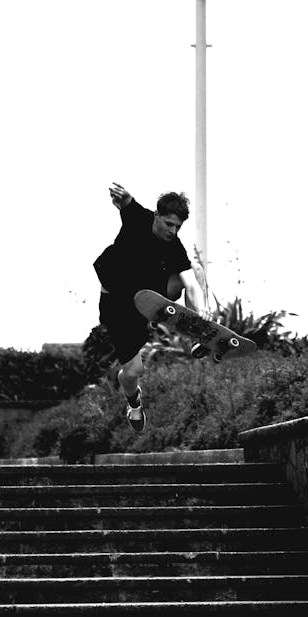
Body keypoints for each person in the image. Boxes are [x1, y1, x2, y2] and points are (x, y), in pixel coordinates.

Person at [94, 182, 209, 432]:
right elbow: (127, 204)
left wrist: (202, 316)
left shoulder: (175, 246)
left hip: (148, 295)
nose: (173, 231)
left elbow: (190, 285)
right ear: (156, 216)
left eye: (178, 227)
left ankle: (197, 335)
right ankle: (133, 403)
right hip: (117, 305)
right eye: (168, 224)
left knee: (195, 272)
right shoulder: (140, 218)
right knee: (133, 371)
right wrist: (123, 198)